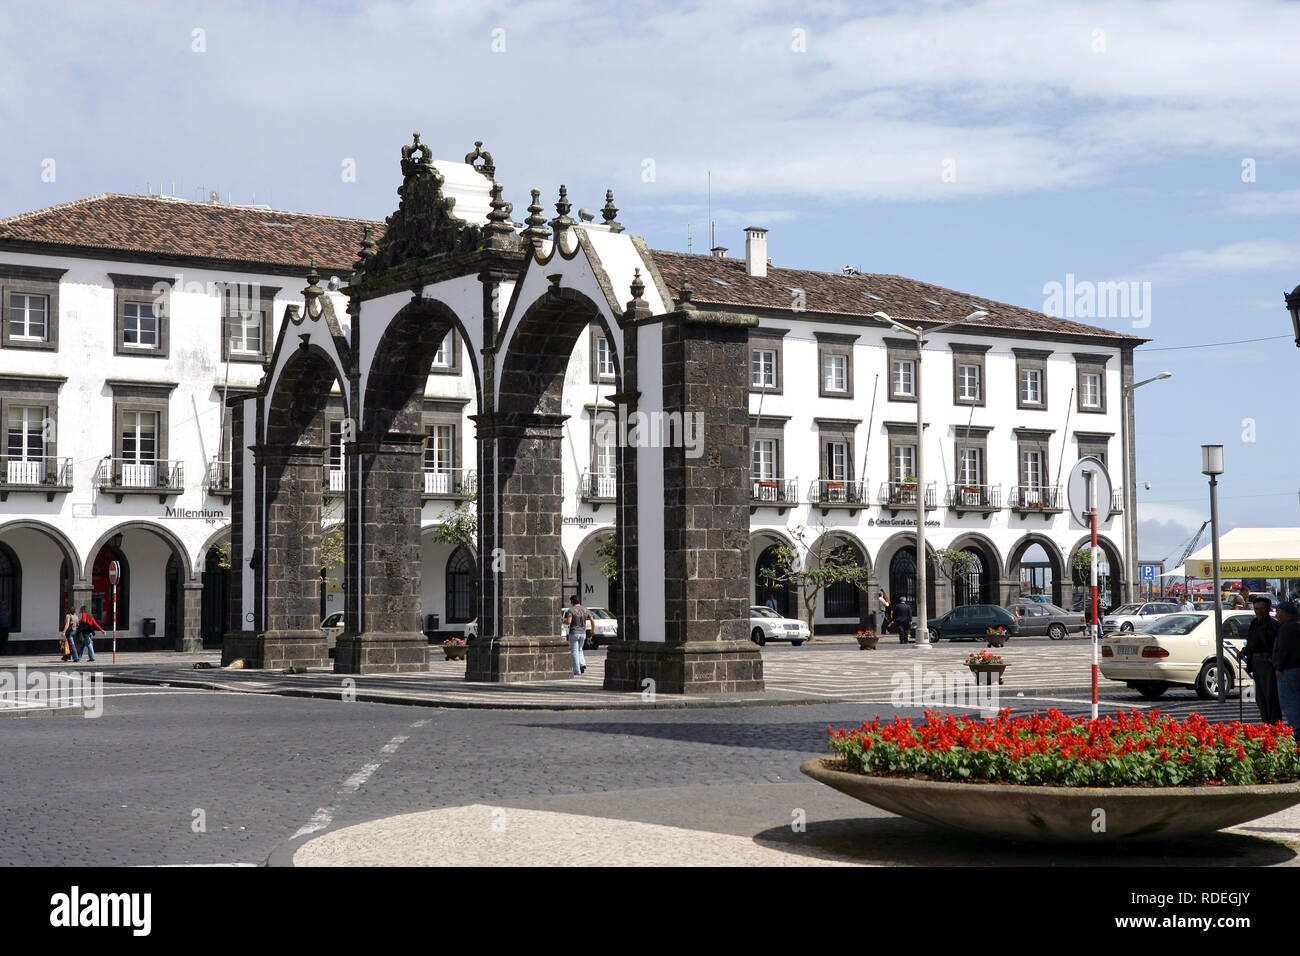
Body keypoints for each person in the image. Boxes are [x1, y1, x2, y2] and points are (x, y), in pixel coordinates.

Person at [1243, 596, 1281, 724]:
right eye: (1256, 609)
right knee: (1260, 696)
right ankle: (1266, 722)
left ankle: (1274, 723)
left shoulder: (1273, 624)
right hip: (1255, 661)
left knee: (1270, 694)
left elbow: (1277, 645)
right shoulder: (1254, 623)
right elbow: (1251, 642)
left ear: (1268, 609)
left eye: (1262, 609)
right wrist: (1244, 651)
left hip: (1267, 662)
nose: (1258, 611)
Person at [1272, 602, 1300, 740]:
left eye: (1279, 611)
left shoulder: (1287, 628)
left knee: (1289, 700)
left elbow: (1284, 649)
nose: (1276, 614)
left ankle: (1296, 731)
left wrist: (1279, 666)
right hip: (1294, 667)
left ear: (1286, 613)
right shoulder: (1295, 625)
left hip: (1288, 669)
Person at [562, 595, 589, 676]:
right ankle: (582, 663)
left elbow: (569, 621)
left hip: (574, 632)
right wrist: (593, 630)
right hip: (583, 633)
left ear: (572, 602)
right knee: (580, 649)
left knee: (574, 651)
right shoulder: (585, 609)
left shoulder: (571, 610)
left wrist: (563, 621)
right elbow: (591, 620)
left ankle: (577, 670)